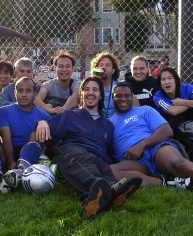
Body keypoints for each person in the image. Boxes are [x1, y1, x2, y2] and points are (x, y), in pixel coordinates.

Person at [110, 82, 193, 209]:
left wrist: (141, 145)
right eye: (118, 96)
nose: (123, 99)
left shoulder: (144, 110)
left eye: (127, 95)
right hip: (135, 161)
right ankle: (169, 183)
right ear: (112, 98)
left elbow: (166, 131)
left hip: (156, 149)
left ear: (132, 97)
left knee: (177, 164)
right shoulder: (108, 122)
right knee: (111, 171)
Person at [35, 76, 142, 218]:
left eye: (95, 90)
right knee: (84, 163)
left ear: (100, 96)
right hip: (72, 152)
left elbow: (110, 152)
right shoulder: (69, 115)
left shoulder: (108, 125)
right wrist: (42, 122)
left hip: (98, 158)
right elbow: (49, 135)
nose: (91, 93)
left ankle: (104, 197)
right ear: (81, 94)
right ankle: (101, 191)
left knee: (102, 166)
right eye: (86, 89)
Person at [0, 77, 50, 193]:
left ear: (34, 94)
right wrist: (11, 161)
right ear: (15, 93)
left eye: (28, 91)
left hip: (31, 154)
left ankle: (21, 170)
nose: (24, 94)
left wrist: (43, 123)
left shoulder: (44, 116)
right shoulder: (4, 111)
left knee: (35, 134)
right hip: (9, 151)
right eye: (20, 90)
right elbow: (5, 139)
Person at [34, 50, 80, 115]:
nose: (64, 69)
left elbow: (75, 97)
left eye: (67, 66)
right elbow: (37, 100)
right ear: (55, 68)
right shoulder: (49, 85)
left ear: (73, 69)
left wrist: (63, 109)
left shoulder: (77, 83)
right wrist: (50, 110)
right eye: (61, 66)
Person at [90, 51, 121, 118]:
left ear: (113, 70)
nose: (103, 67)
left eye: (107, 65)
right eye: (101, 65)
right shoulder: (90, 85)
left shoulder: (119, 85)